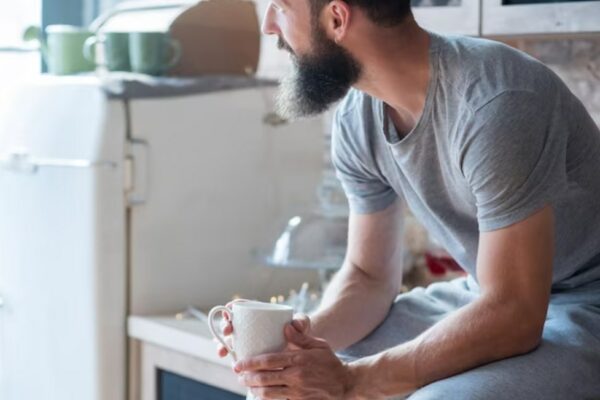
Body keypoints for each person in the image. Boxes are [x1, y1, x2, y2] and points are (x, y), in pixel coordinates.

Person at [216, 1, 600, 398]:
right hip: (485, 294)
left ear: (336, 18)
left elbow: (515, 313)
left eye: (280, 7)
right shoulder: (357, 118)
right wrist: (292, 346)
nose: (268, 26)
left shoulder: (495, 102)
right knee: (312, 368)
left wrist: (351, 380)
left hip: (585, 305)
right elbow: (368, 278)